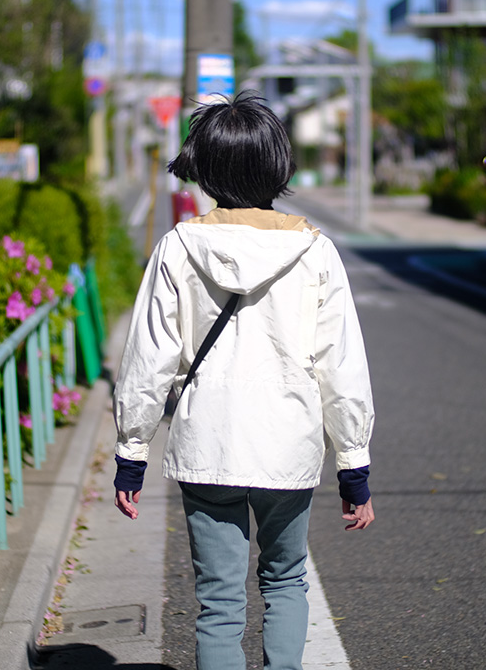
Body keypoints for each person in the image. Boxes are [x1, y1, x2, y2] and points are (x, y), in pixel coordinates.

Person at [111, 91, 376, 670]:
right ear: (279, 165)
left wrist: (132, 452)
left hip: (208, 442)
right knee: (285, 582)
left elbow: (148, 360)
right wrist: (353, 465)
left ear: (205, 169)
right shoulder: (316, 251)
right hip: (287, 444)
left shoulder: (177, 247)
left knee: (218, 602)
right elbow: (342, 367)